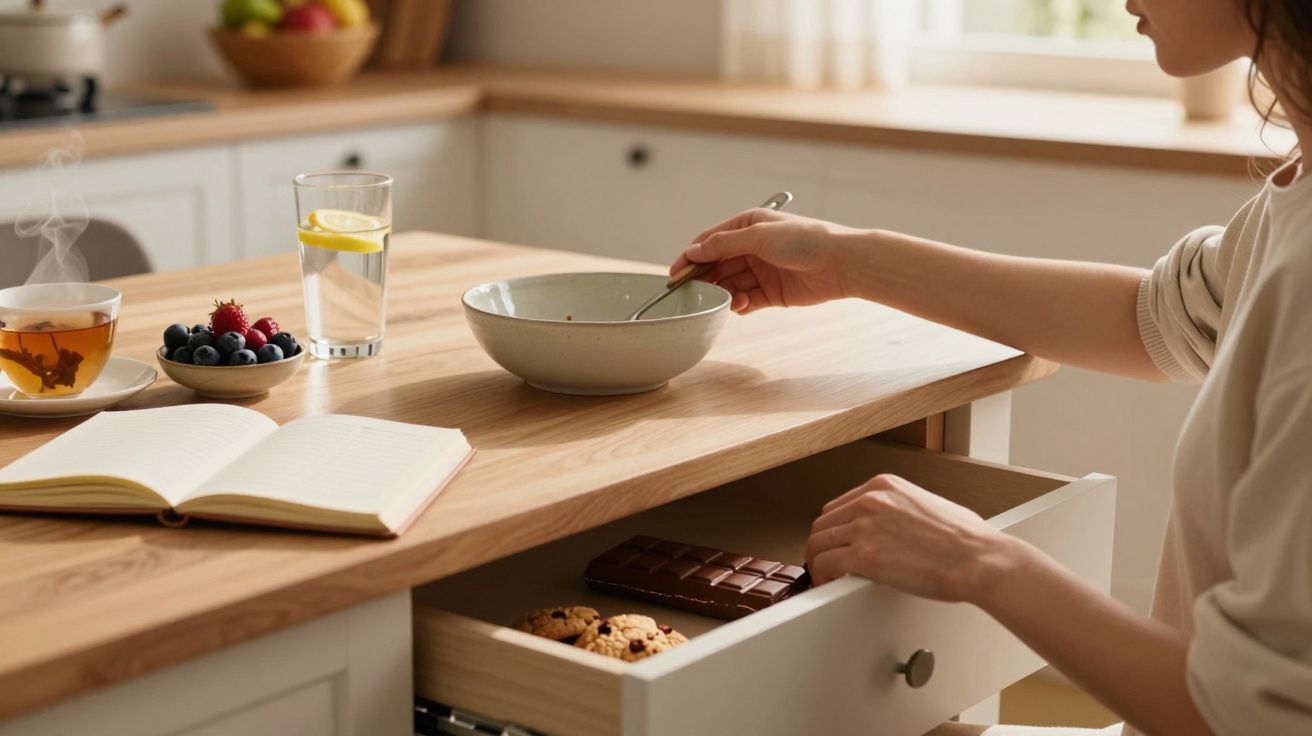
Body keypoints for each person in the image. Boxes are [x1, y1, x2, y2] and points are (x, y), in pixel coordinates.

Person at [671, 2, 1312, 734]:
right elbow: (1160, 318)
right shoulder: (1295, 196)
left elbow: (1251, 722)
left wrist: (981, 560)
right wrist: (844, 258)